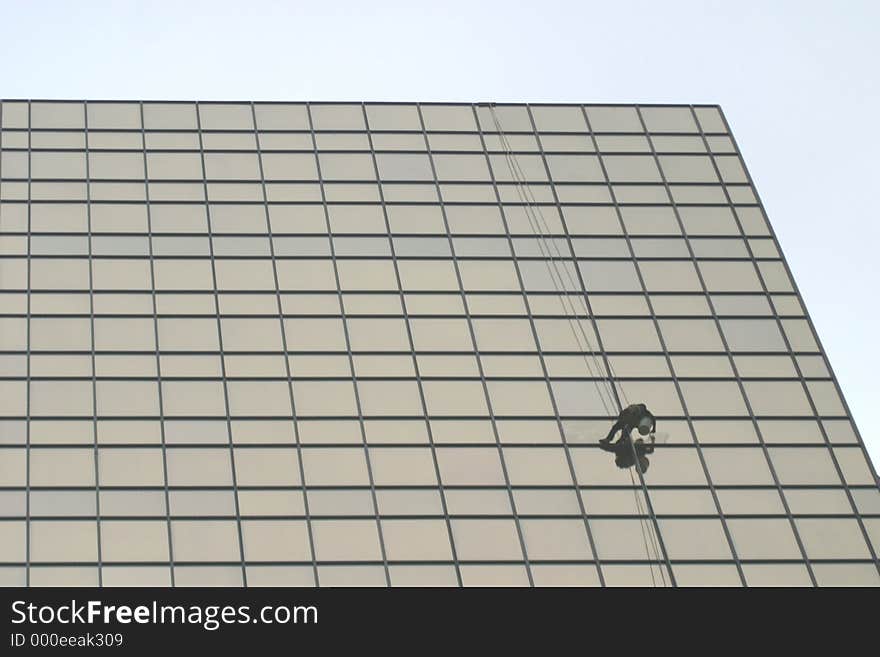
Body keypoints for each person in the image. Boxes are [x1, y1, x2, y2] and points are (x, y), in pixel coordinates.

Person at [598, 403, 656, 472]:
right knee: (620, 434)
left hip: (623, 456)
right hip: (624, 451)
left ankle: (606, 443)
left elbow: (653, 419)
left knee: (622, 441)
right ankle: (607, 440)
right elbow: (651, 450)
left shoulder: (640, 450)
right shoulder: (641, 450)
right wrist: (652, 440)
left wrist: (653, 432)